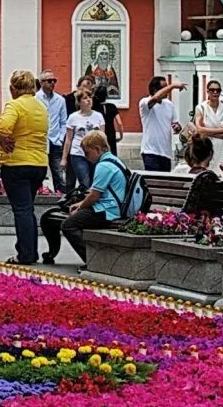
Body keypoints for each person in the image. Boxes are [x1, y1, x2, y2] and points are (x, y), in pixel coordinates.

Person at [41, 131, 145, 264]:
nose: (86, 157)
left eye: (87, 153)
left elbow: (95, 195)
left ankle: (92, 261)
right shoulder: (114, 160)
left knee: (68, 225)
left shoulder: (103, 166)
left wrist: (80, 206)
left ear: (97, 149)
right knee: (57, 217)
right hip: (111, 208)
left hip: (108, 210)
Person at [0, 70, 49, 265]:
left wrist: (3, 139)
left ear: (13, 88)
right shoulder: (40, 107)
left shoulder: (15, 105)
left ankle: (25, 254)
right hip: (39, 163)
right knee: (28, 208)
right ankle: (30, 251)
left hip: (16, 163)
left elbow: (3, 126)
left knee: (22, 209)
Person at [62, 88, 106, 191]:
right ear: (79, 101)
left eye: (90, 97)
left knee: (95, 182)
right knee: (85, 182)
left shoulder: (98, 116)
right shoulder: (73, 117)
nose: (89, 100)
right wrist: (64, 158)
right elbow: (68, 139)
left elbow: (103, 137)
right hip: (78, 153)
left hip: (95, 154)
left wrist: (105, 153)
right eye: (85, 98)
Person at [139, 76, 184, 173]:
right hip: (150, 152)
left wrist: (177, 127)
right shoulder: (145, 103)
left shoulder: (169, 104)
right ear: (155, 90)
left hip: (166, 152)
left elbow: (175, 123)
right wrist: (173, 86)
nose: (167, 91)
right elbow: (155, 98)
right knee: (153, 181)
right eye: (164, 88)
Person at [36, 73, 69, 193]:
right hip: (40, 141)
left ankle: (60, 197)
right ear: (41, 82)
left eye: (54, 80)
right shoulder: (35, 99)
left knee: (58, 173)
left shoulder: (60, 100)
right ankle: (39, 195)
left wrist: (60, 139)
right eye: (49, 81)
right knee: (39, 173)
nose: (52, 83)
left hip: (55, 141)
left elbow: (64, 122)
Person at [194, 78, 223, 164]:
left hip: (221, 147)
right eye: (212, 90)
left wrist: (207, 132)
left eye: (218, 90)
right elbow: (199, 130)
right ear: (207, 91)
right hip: (205, 147)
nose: (215, 92)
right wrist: (220, 130)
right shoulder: (201, 108)